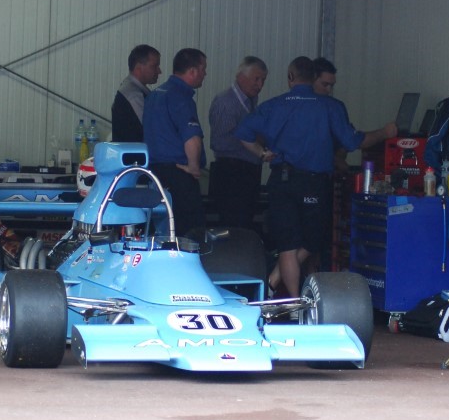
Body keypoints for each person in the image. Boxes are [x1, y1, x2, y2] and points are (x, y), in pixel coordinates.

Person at [237, 56, 397, 298]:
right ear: (313, 78)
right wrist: (385, 132)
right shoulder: (330, 107)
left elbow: (242, 132)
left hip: (281, 181)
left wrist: (261, 153)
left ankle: (286, 296)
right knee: (313, 241)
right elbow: (353, 141)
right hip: (313, 183)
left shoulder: (273, 105)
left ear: (290, 77)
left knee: (287, 246)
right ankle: (280, 289)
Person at [143, 48, 208, 236]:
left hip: (154, 175)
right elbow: (191, 136)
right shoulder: (181, 97)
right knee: (189, 234)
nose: (205, 74)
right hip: (179, 176)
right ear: (192, 71)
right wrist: (194, 166)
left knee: (161, 232)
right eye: (203, 69)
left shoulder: (154, 95)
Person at [208, 56, 268, 229]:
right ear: (241, 76)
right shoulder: (226, 102)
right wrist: (253, 141)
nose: (260, 85)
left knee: (245, 222)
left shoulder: (251, 101)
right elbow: (220, 143)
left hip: (248, 172)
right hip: (232, 173)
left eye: (263, 80)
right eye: (256, 79)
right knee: (234, 224)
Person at [111, 45, 161, 142]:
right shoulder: (134, 95)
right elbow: (153, 129)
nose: (159, 71)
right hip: (135, 151)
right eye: (154, 66)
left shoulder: (134, 90)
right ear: (138, 68)